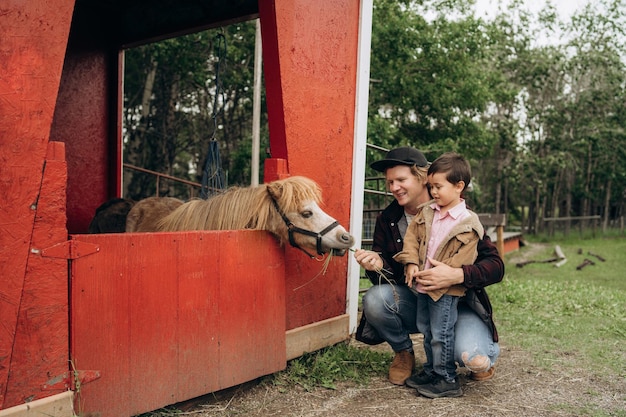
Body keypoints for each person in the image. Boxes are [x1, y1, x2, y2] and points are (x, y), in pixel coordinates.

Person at [354, 146, 502, 391]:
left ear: (422, 178)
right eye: (389, 182)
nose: (393, 188)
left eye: (401, 180)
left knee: (470, 356)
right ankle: (405, 354)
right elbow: (387, 279)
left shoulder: (460, 216)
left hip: (457, 301)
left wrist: (458, 274)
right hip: (417, 296)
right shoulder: (388, 219)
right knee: (375, 300)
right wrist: (377, 265)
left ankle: (468, 360)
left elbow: (496, 267)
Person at [393, 152, 484, 398]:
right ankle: (433, 370)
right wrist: (411, 262)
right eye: (431, 186)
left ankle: (446, 378)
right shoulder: (427, 212)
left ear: (459, 186)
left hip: (445, 290)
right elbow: (411, 239)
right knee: (427, 329)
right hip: (423, 285)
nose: (433, 192)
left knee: (441, 333)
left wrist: (443, 275)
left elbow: (465, 258)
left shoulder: (468, 222)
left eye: (438, 187)